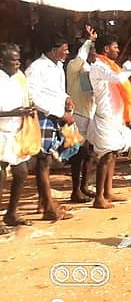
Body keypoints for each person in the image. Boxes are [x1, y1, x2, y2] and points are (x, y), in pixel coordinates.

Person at [88, 35, 131, 209]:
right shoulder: (99, 66)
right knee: (105, 156)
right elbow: (119, 78)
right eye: (115, 47)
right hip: (106, 117)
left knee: (113, 154)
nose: (118, 50)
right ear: (106, 49)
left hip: (115, 117)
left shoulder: (108, 65)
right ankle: (99, 197)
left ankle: (108, 191)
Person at [25, 33, 78, 220]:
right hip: (43, 117)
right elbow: (33, 98)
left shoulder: (58, 66)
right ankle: (48, 206)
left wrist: (66, 98)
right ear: (53, 50)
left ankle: (44, 202)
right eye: (64, 50)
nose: (67, 52)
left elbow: (58, 91)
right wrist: (59, 113)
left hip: (55, 116)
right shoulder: (36, 68)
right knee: (43, 161)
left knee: (46, 160)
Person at [0, 43, 38, 231]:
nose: (18, 63)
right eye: (13, 60)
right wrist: (11, 113)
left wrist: (29, 109)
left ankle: (11, 213)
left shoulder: (19, 77)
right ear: (2, 61)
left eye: (18, 59)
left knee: (21, 172)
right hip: (1, 132)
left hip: (16, 131)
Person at [65, 25, 97, 203]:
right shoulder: (74, 66)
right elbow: (80, 57)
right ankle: (75, 190)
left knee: (90, 154)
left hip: (89, 114)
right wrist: (88, 42)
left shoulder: (91, 69)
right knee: (79, 154)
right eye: (92, 53)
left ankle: (84, 186)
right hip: (78, 114)